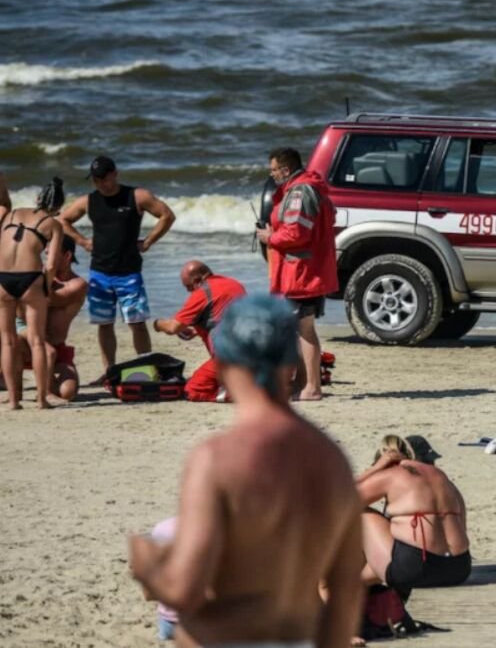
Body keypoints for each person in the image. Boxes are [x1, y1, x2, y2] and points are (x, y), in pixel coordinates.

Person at [128, 293, 363, 647]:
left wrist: (147, 565)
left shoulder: (216, 459)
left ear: (223, 365)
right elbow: (346, 589)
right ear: (291, 364)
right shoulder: (331, 458)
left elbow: (185, 588)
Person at [59, 156, 175, 376]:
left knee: (137, 323)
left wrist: (148, 241)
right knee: (104, 324)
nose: (100, 183)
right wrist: (83, 242)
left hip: (129, 273)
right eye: (96, 180)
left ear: (115, 174)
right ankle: (109, 372)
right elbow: (63, 220)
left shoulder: (137, 196)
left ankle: (146, 369)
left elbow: (167, 215)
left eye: (104, 178)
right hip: (99, 273)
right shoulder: (88, 201)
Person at [256, 147, 338, 402]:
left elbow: (296, 234)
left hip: (302, 273)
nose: (272, 175)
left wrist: (270, 237)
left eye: (274, 170)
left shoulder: (299, 192)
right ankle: (304, 382)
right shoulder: (307, 188)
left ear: (285, 169)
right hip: (305, 270)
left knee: (304, 329)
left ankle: (312, 387)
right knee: (299, 329)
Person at [355, 434, 471, 594]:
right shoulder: (442, 477)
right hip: (460, 569)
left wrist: (374, 470)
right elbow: (462, 523)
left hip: (415, 568)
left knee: (360, 512)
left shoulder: (391, 475)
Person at [0, 178, 64, 408]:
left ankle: (13, 400)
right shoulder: (53, 224)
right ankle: (41, 399)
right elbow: (51, 264)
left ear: (38, 198)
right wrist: (45, 287)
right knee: (37, 342)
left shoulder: (10, 214)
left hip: (2, 278)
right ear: (58, 207)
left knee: (7, 341)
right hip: (30, 279)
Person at [152, 261, 247, 402]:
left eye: (188, 287)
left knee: (193, 390)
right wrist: (198, 330)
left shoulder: (203, 292)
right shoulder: (234, 284)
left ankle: (239, 394)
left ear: (197, 280)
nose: (188, 291)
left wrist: (157, 324)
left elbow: (172, 327)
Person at [12, 235, 87, 402]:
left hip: (57, 345)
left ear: (67, 256)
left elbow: (52, 299)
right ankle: (22, 392)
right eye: (45, 254)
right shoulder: (38, 277)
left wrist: (42, 278)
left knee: (68, 392)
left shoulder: (78, 284)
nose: (47, 259)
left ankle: (47, 382)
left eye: (51, 254)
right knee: (31, 346)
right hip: (28, 340)